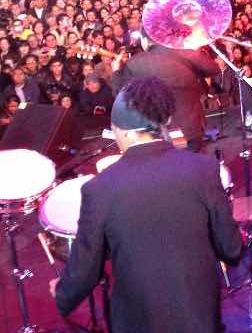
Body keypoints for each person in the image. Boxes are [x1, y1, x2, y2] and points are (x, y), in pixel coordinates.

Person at [51, 77, 242, 333]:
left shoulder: (99, 189)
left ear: (126, 131)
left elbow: (85, 270)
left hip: (138, 322)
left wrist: (62, 293)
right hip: (199, 318)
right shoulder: (204, 168)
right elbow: (230, 248)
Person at [111, 31, 219, 151]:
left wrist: (116, 72)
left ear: (145, 41)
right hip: (192, 126)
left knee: (173, 166)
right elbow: (213, 69)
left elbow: (123, 98)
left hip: (161, 132)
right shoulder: (184, 51)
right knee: (194, 163)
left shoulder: (136, 62)